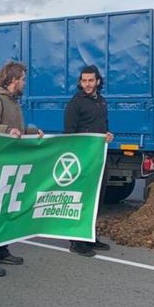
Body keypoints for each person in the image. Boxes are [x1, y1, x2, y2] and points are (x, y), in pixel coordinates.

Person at [0, 61, 43, 277]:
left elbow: (17, 129)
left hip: (9, 165)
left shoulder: (13, 102)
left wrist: (31, 131)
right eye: (22, 79)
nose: (24, 83)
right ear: (12, 80)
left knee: (5, 209)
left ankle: (1, 250)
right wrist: (5, 130)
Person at [63, 65, 114, 257]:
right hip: (83, 159)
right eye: (84, 80)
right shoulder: (75, 104)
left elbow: (102, 127)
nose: (87, 84)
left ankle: (90, 236)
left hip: (99, 157)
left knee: (97, 198)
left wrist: (106, 136)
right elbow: (69, 133)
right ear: (80, 82)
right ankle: (76, 242)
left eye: (91, 80)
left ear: (98, 81)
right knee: (84, 199)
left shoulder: (101, 101)